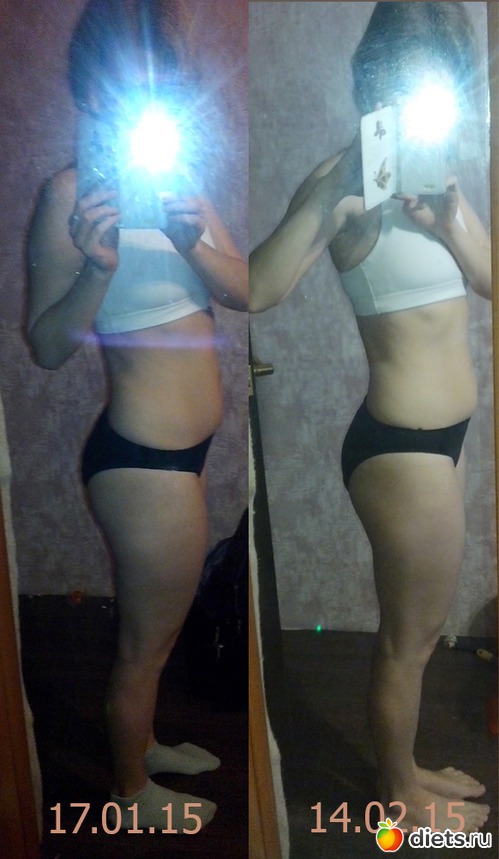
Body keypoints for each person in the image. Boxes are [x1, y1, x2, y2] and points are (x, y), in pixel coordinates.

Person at [250, 2, 491, 835]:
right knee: (409, 639)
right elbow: (259, 288)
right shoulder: (338, 178)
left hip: (442, 444)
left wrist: (447, 221)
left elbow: (490, 280)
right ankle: (397, 795)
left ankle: (405, 766)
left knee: (415, 631)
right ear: (371, 78)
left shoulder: (436, 175)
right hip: (399, 449)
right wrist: (332, 194)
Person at [26, 0, 247, 833]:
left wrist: (191, 240)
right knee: (144, 643)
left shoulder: (181, 187)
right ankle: (127, 796)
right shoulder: (68, 196)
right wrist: (95, 267)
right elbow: (47, 346)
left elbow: (243, 290)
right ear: (91, 92)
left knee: (158, 629)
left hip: (177, 460)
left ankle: (144, 744)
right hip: (141, 463)